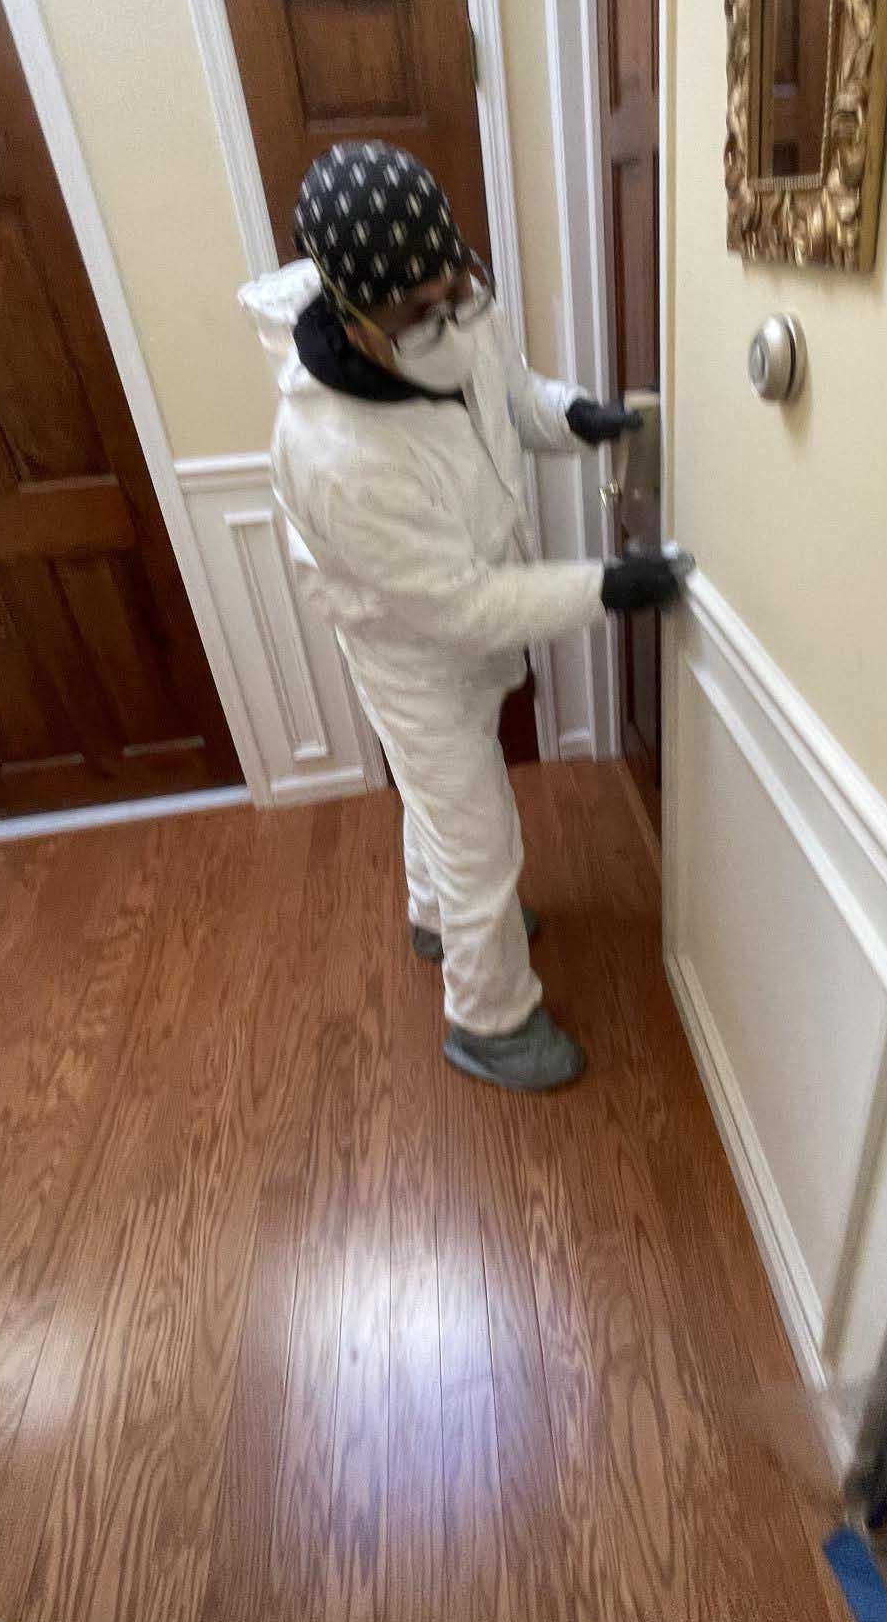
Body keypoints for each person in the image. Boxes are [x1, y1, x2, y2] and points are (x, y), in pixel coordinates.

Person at [240, 141, 684, 1093]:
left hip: (470, 615)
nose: (449, 321)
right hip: (410, 651)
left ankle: (436, 918)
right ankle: (489, 1020)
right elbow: (462, 607)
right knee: (479, 834)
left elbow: (505, 393)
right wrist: (604, 587)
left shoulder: (454, 310)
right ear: (352, 316)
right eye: (418, 314)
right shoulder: (330, 455)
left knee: (443, 799)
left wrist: (578, 417)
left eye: (455, 293)